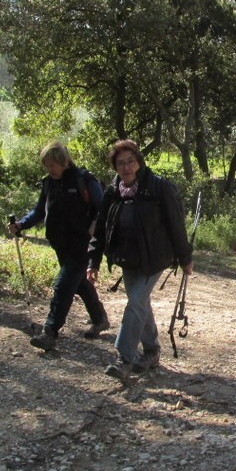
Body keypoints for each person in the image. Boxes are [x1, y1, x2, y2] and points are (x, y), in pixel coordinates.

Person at [87, 140, 193, 379]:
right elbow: (101, 229)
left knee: (135, 302)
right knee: (140, 302)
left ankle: (124, 358)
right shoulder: (113, 192)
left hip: (155, 257)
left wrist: (185, 257)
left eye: (130, 162)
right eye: (121, 163)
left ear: (139, 162)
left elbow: (176, 224)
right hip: (128, 258)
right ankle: (152, 350)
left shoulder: (158, 188)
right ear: (115, 167)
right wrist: (93, 262)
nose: (126, 167)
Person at [9, 141, 109, 352]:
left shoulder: (84, 180)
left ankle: (50, 332)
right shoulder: (49, 183)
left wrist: (94, 229)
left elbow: (103, 210)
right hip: (60, 244)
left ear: (63, 161)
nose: (49, 169)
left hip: (82, 244)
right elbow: (39, 211)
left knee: (63, 285)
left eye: (52, 165)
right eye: (46, 165)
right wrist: (21, 224)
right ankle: (99, 319)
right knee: (79, 282)